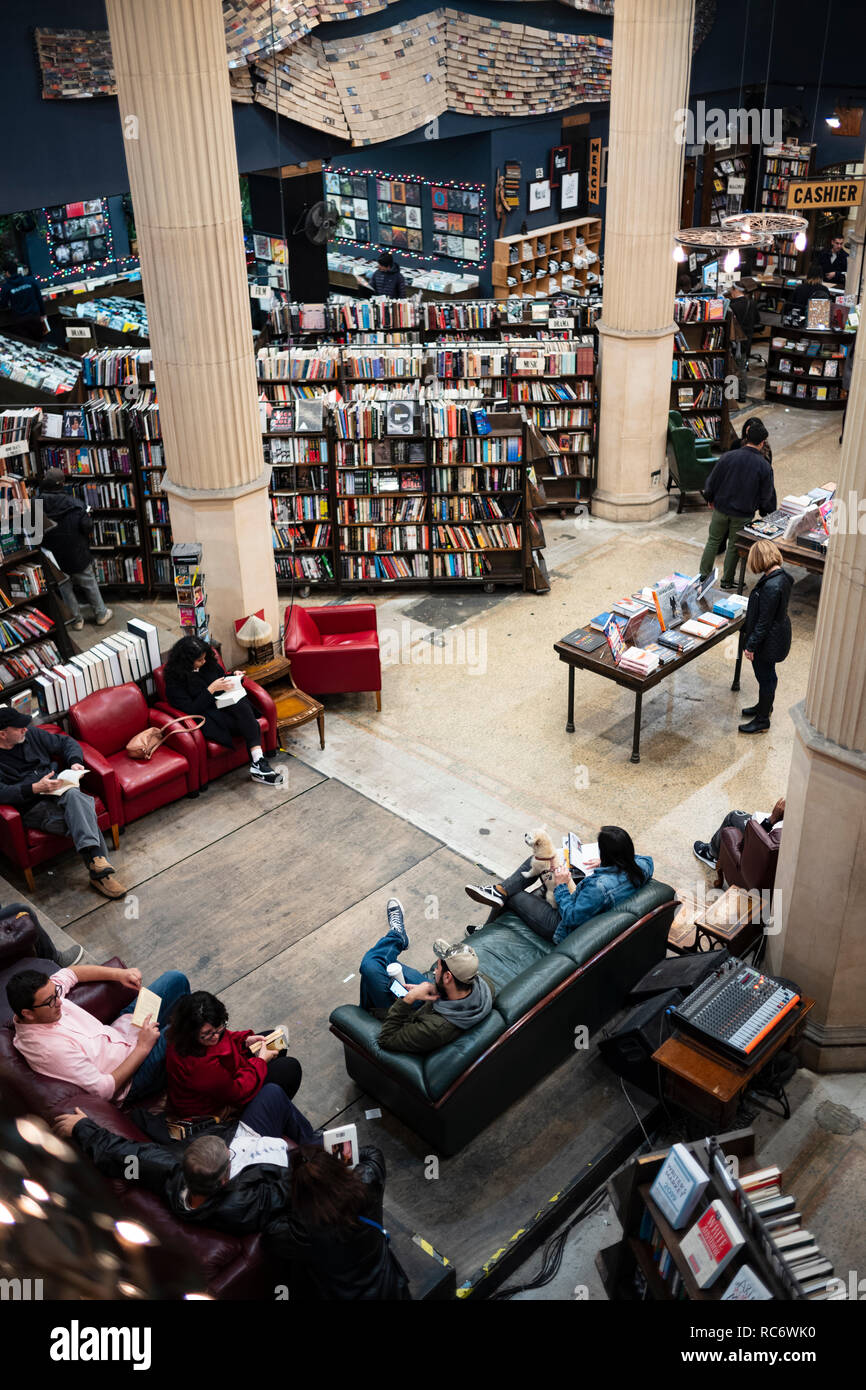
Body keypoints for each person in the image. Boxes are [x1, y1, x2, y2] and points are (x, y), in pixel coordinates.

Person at [53, 1080, 317, 1235]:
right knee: (312, 1148)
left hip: (242, 1139)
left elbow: (121, 1152)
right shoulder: (243, 1205)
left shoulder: (169, 1169)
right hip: (263, 1156)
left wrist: (82, 1127)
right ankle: (316, 1142)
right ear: (225, 1179)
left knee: (270, 1091)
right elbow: (295, 1185)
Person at [8, 960, 190, 1103]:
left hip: (122, 1030)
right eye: (51, 1001)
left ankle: (183, 1057)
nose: (59, 1001)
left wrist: (120, 974)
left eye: (56, 993)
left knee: (176, 979)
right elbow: (104, 1090)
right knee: (189, 1022)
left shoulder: (44, 999)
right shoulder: (49, 1050)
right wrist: (143, 1047)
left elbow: (72, 973)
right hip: (133, 1076)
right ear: (27, 1014)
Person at [0, 707, 125, 899]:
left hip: (59, 789)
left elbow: (66, 742)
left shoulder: (31, 734)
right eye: (19, 728)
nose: (25, 729)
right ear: (3, 734)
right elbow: (2, 793)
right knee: (82, 815)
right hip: (34, 806)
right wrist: (34, 788)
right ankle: (99, 872)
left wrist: (74, 761)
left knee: (75, 796)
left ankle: (98, 863)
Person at [265, 1145, 410, 1300]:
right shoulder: (367, 1181)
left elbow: (270, 1234)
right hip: (390, 1289)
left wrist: (292, 1186)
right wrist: (338, 1156)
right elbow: (373, 1152)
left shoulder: (304, 1230)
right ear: (337, 1168)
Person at [466, 825, 653, 946]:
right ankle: (498, 892)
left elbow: (572, 917)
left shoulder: (599, 887)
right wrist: (607, 863)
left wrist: (562, 885)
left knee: (512, 894)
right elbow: (640, 859)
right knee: (539, 859)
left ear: (606, 853)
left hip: (560, 927)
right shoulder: (642, 866)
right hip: (590, 895)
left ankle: (497, 899)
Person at [357, 899, 494, 1054]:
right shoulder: (484, 986)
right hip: (437, 1000)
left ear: (448, 977)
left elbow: (387, 1039)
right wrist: (435, 988)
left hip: (413, 1017)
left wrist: (408, 999)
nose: (435, 970)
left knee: (370, 966)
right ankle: (397, 937)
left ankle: (397, 935)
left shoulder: (435, 1029)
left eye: (439, 966)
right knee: (385, 967)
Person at [162, 634, 281, 785]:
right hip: (208, 716)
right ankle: (259, 764)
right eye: (199, 660)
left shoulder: (208, 663)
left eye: (205, 657)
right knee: (249, 721)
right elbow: (191, 710)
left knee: (241, 704)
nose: (204, 662)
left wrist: (233, 676)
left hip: (225, 705)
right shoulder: (174, 681)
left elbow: (221, 677)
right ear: (186, 661)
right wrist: (210, 690)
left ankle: (258, 763)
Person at [166, 990, 304, 1119]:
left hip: (228, 1076)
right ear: (191, 1032)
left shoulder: (193, 1037)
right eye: (207, 1034)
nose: (215, 1037)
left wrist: (244, 1041)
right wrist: (261, 1060)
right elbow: (237, 1092)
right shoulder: (199, 1066)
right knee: (289, 1069)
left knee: (276, 1042)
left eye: (219, 1028)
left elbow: (225, 1037)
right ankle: (269, 1113)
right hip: (219, 1105)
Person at [698, 419, 776, 589]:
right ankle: (727, 581)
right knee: (734, 546)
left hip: (721, 508)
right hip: (743, 513)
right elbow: (766, 495)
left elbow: (712, 481)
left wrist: (710, 498)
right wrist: (757, 507)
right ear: (762, 442)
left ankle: (703, 577)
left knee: (713, 541)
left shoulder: (728, 456)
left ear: (746, 437)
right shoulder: (764, 466)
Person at [37, 468, 112, 631]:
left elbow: (33, 531)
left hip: (52, 555)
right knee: (88, 582)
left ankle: (76, 620)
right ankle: (101, 614)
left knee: (65, 587)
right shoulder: (75, 504)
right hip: (76, 552)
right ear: (62, 484)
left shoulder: (36, 503)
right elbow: (86, 527)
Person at [738, 539, 793, 735]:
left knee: (766, 677)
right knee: (768, 675)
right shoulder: (782, 576)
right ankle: (764, 707)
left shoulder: (772, 586)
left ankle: (762, 720)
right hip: (777, 635)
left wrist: (750, 646)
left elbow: (763, 622)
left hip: (767, 641)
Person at [694, 798, 784, 870]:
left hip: (764, 851)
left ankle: (711, 853)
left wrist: (772, 819)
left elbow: (760, 843)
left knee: (734, 816)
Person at [0, 261, 48, 342]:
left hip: (20, 321)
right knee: (40, 342)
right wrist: (43, 313)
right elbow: (39, 297)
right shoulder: (30, 280)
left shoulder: (6, 287)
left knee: (27, 345)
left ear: (7, 273)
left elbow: (3, 304)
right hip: (35, 317)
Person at [728, 284, 759, 401]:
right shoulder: (751, 303)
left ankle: (733, 396)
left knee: (733, 368)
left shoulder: (732, 306)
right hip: (747, 341)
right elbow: (757, 320)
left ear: (735, 290)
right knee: (742, 367)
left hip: (735, 342)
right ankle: (742, 395)